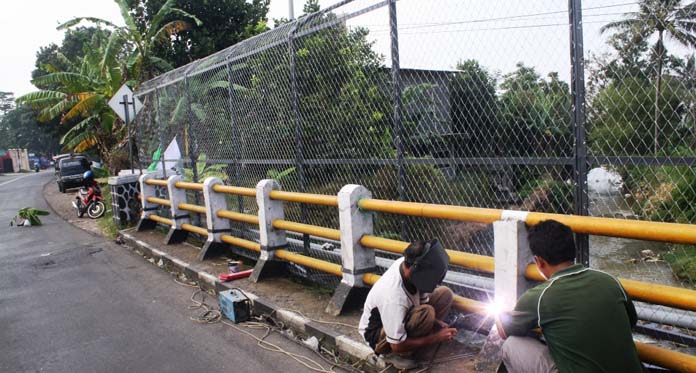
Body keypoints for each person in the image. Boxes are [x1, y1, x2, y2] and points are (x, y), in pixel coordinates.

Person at [496, 220, 642, 373]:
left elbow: (504, 331)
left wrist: (501, 314)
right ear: (573, 250)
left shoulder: (540, 297)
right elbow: (632, 321)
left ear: (539, 262)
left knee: (511, 345)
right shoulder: (609, 280)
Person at [358, 239, 457, 370]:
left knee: (445, 294)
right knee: (426, 313)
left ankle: (420, 340)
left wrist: (437, 322)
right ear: (415, 270)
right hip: (378, 337)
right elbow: (396, 345)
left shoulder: (407, 265)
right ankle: (395, 355)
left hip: (402, 314)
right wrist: (435, 338)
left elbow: (422, 300)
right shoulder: (393, 297)